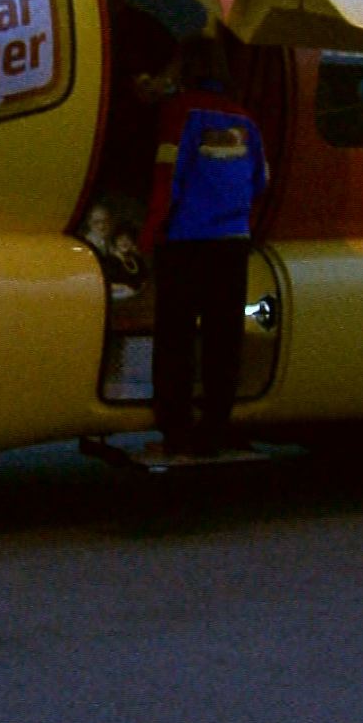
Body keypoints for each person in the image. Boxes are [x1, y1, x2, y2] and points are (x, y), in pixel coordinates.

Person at [139, 32, 267, 458]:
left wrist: (150, 232)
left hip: (186, 241)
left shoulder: (180, 112)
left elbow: (166, 177)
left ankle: (176, 429)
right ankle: (215, 427)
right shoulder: (243, 118)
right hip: (232, 243)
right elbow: (260, 180)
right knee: (222, 338)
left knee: (175, 338)